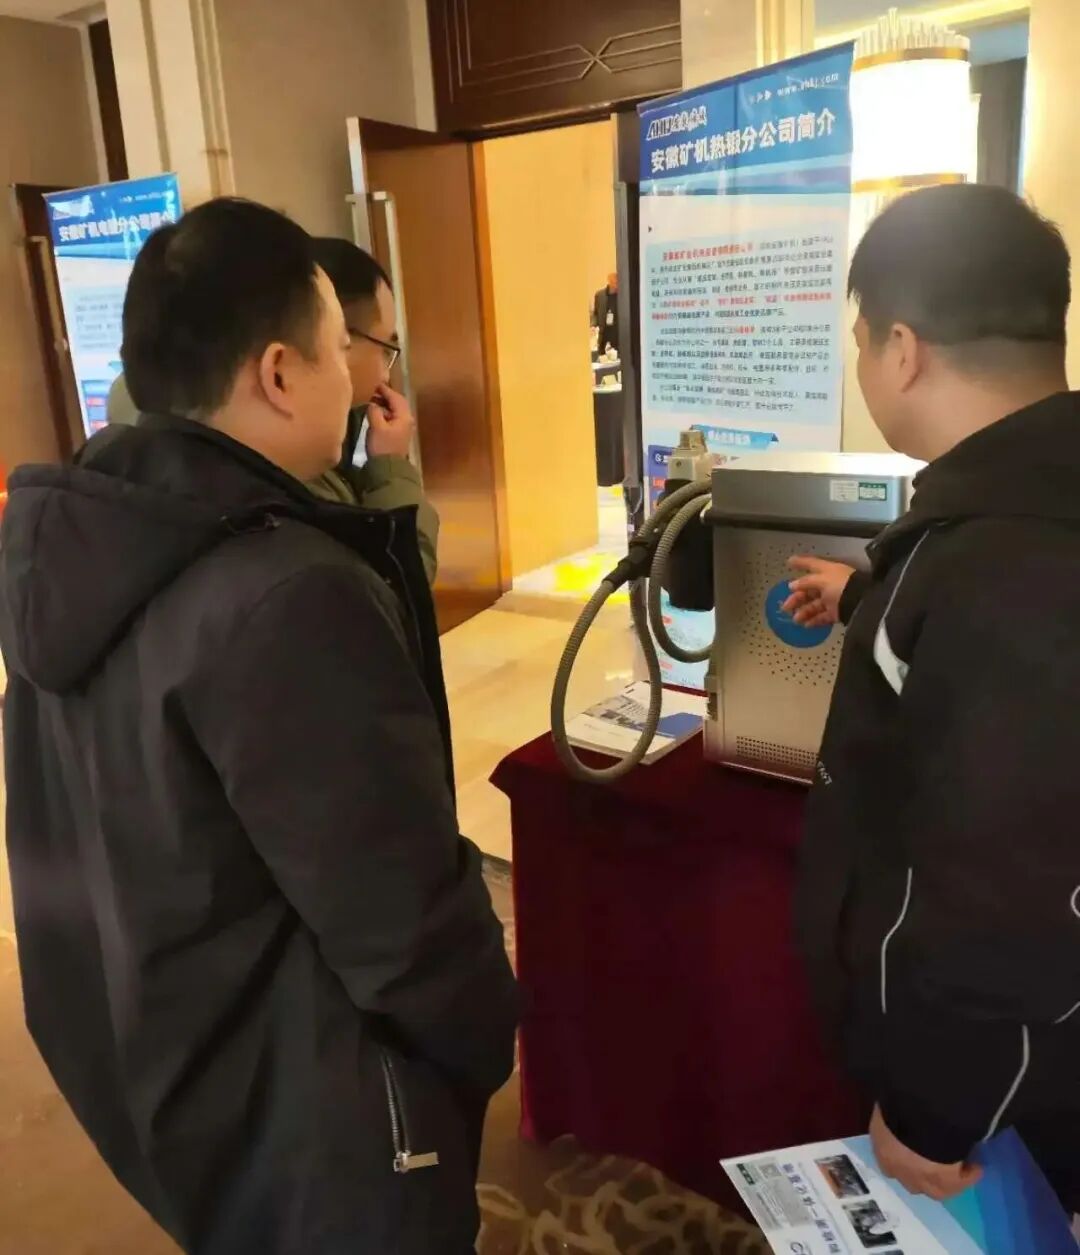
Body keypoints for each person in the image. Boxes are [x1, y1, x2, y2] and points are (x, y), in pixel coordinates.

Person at [0, 198, 517, 1254]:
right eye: (344, 348)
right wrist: (483, 1030)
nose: (362, 377)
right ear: (280, 373)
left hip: (165, 1059)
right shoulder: (286, 590)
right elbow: (397, 908)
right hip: (315, 1112)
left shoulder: (76, 536)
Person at [784, 183, 1080, 1216]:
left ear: (901, 349)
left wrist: (930, 1110)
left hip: (1013, 1105)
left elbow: (1006, 893)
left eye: (862, 342)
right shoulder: (1020, 514)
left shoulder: (998, 567)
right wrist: (872, 600)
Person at [104, 236, 439, 584]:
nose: (386, 374)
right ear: (278, 369)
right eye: (339, 346)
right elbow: (392, 589)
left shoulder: (138, 452)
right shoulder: (279, 501)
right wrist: (391, 469)